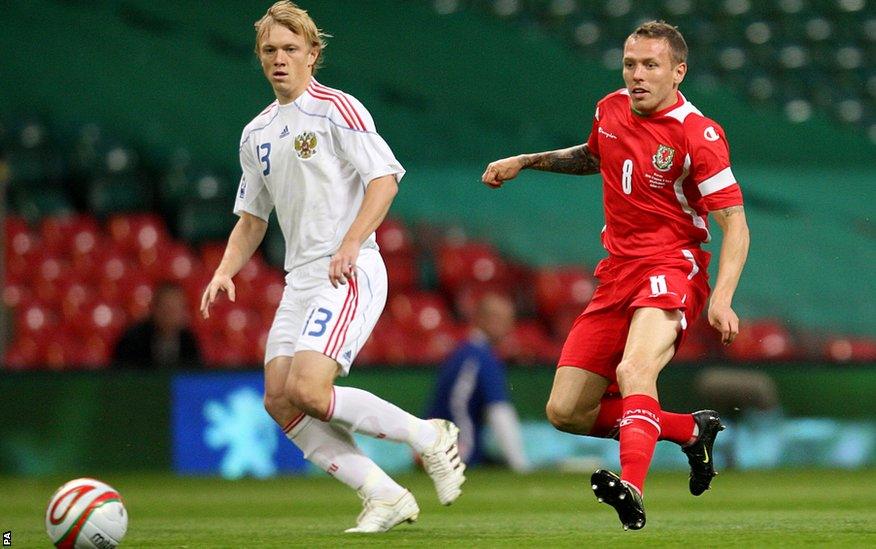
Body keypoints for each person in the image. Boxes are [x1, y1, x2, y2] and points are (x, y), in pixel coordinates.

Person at [200, 1, 465, 533]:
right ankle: (382, 493)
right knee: (279, 398)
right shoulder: (257, 134)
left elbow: (385, 179)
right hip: (301, 278)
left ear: (312, 55)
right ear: (259, 56)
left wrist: (350, 242)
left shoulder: (338, 109)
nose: (280, 59)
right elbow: (252, 218)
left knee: (309, 390)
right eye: (270, 50)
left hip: (350, 268)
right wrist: (224, 269)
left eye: (291, 49)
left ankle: (428, 435)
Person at [481, 21, 750, 530]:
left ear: (678, 71)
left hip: (671, 266)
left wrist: (722, 298)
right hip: (617, 273)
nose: (637, 75)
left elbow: (735, 223)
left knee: (634, 372)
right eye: (630, 64)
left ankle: (633, 487)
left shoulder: (699, 133)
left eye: (651, 65)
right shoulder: (610, 108)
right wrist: (525, 160)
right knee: (566, 412)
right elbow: (593, 156)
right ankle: (690, 432)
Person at [427, 293, 531, 473]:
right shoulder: (481, 357)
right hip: (458, 453)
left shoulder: (464, 352)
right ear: (484, 319)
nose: (508, 327)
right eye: (502, 320)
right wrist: (520, 465)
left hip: (434, 446)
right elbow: (500, 412)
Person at [114, 282, 201, 368]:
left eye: (175, 310)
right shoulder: (132, 341)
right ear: (154, 309)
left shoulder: (189, 342)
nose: (170, 316)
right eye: (166, 309)